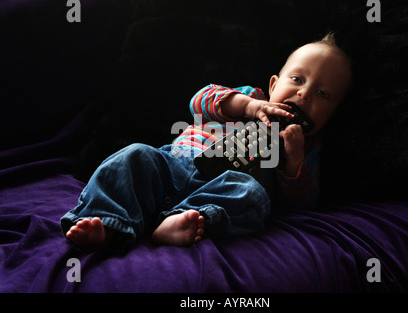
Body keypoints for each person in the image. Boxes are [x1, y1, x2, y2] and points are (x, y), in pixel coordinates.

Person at [60, 33, 352, 252]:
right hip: (173, 165)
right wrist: (247, 106)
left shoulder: (307, 147)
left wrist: (293, 161)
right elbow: (199, 100)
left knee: (253, 196)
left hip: (222, 188)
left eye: (323, 94)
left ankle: (177, 221)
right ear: (274, 84)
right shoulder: (249, 97)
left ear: (331, 115)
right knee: (134, 155)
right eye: (298, 79)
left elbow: (300, 205)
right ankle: (107, 224)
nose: (305, 95)